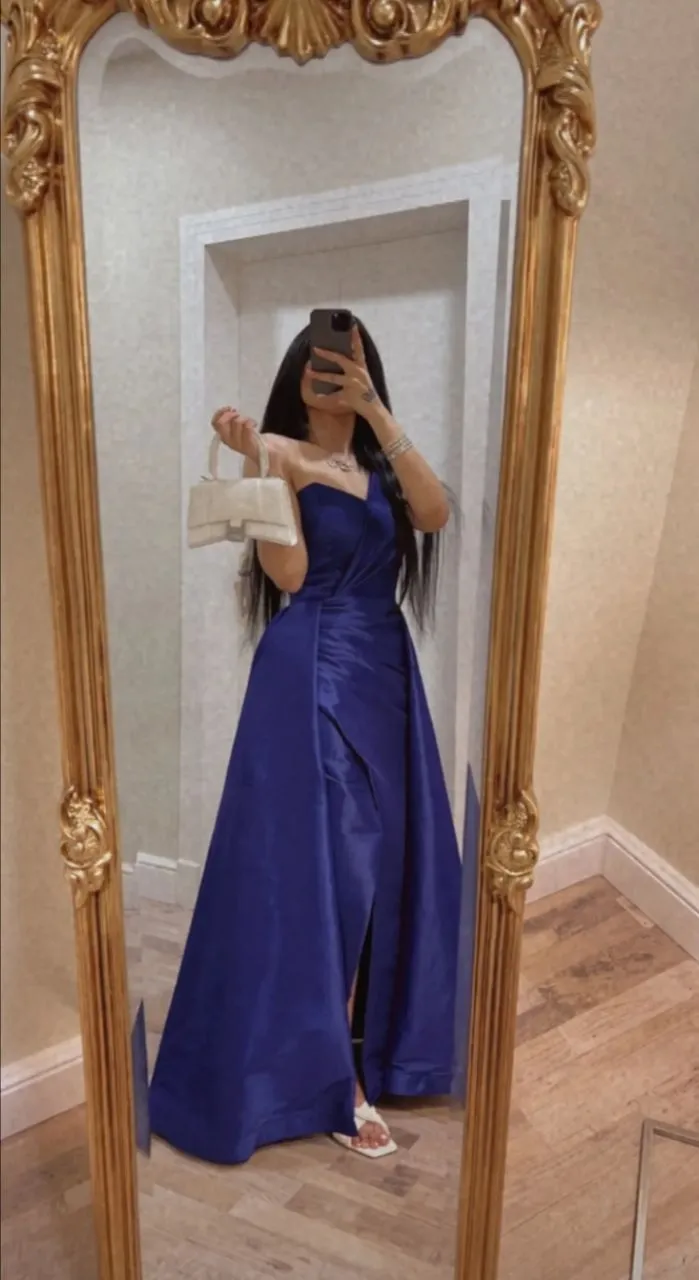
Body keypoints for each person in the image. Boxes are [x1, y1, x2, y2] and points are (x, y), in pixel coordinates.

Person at [149, 317, 462, 1163]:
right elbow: (287, 576)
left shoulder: (382, 461)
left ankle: (368, 1044)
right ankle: (331, 1080)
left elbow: (434, 514)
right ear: (298, 373)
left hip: (385, 672)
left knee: (387, 863)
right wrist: (260, 463)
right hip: (312, 667)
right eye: (320, 364)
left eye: (349, 362)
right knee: (336, 869)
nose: (334, 376)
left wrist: (377, 413)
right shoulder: (278, 450)